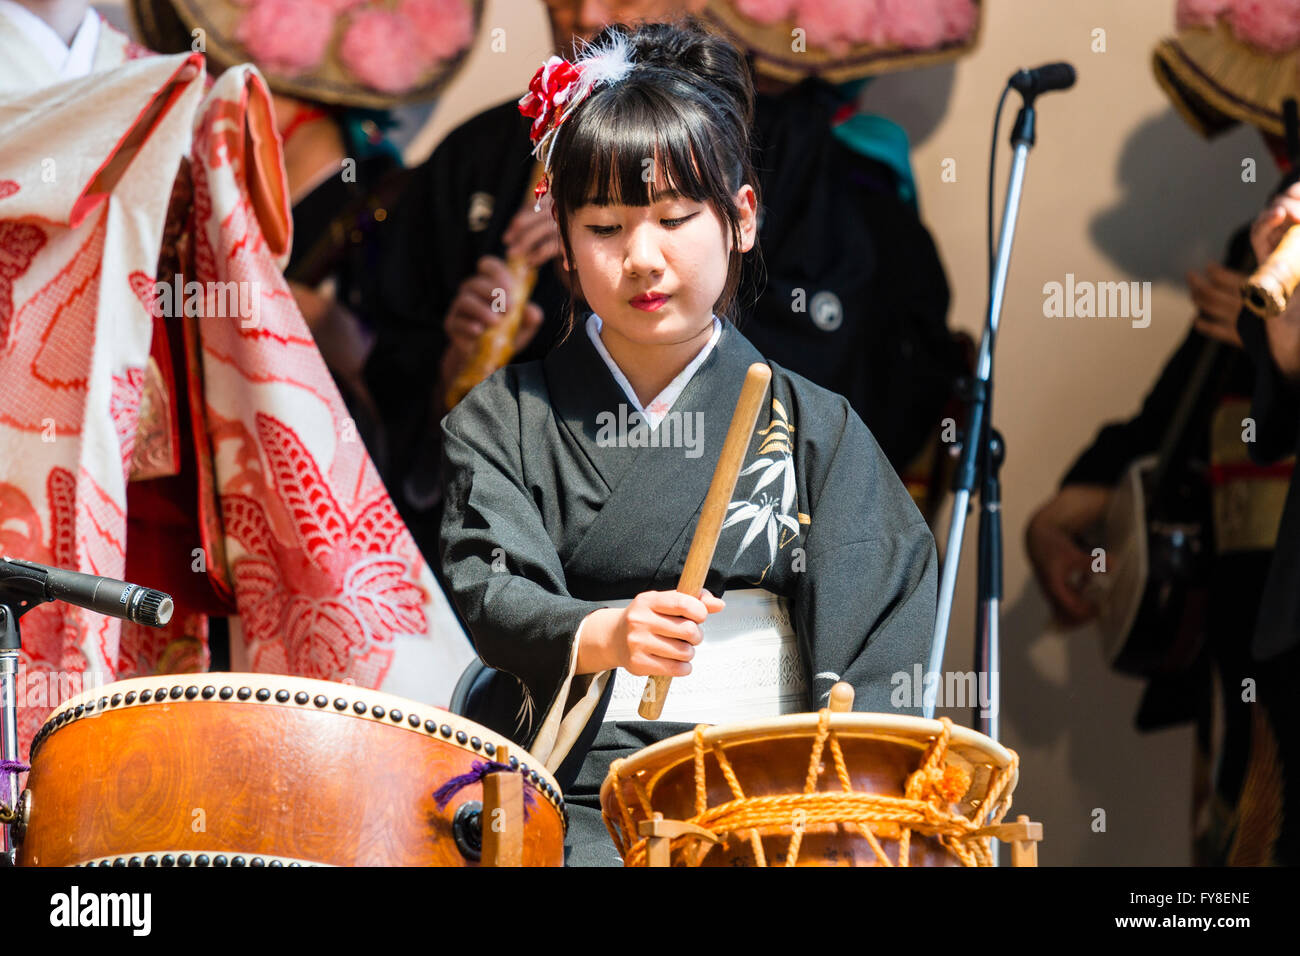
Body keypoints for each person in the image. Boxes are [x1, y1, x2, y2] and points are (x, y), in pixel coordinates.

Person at [438, 18, 938, 866]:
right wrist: (605, 633)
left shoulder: (818, 429)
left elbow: (880, 641)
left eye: (674, 218)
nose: (642, 259)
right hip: (570, 804)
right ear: (559, 235)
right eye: (604, 228)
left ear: (741, 217)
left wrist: (841, 797)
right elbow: (492, 588)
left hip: (766, 807)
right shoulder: (504, 418)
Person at [366, 0, 959, 561]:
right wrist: (456, 376)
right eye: (562, 0)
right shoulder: (478, 156)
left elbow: (827, 376)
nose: (589, 17)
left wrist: (629, 313)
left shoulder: (787, 156)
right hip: (525, 551)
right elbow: (396, 372)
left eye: (674, 219)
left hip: (721, 560)